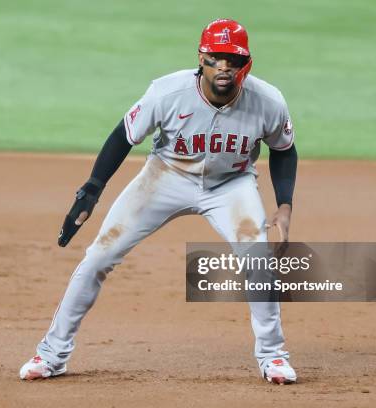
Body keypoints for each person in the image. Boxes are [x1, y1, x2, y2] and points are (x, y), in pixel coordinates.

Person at [20, 18, 298, 384]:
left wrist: (284, 204)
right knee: (99, 255)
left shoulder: (267, 101)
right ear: (201, 58)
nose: (224, 66)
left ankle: (273, 356)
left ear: (247, 62)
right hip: (165, 177)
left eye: (233, 58)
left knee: (257, 258)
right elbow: (124, 135)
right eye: (216, 57)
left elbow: (284, 150)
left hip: (232, 184)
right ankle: (52, 354)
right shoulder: (167, 93)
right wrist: (92, 188)